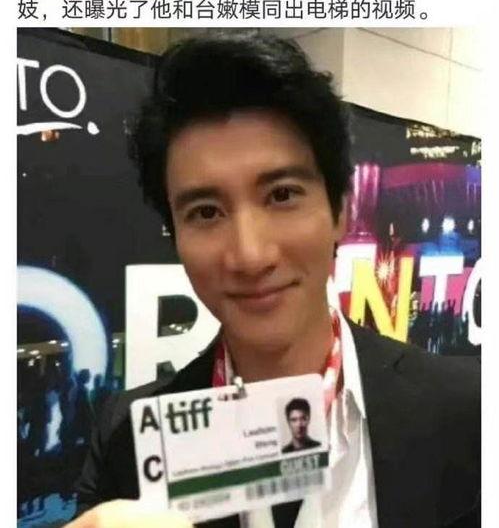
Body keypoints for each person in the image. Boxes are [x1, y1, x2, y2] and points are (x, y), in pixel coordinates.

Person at [68, 30, 480, 528]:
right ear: (175, 235)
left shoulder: (467, 411)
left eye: (282, 195)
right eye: (205, 211)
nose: (250, 255)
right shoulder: (127, 441)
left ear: (340, 211)